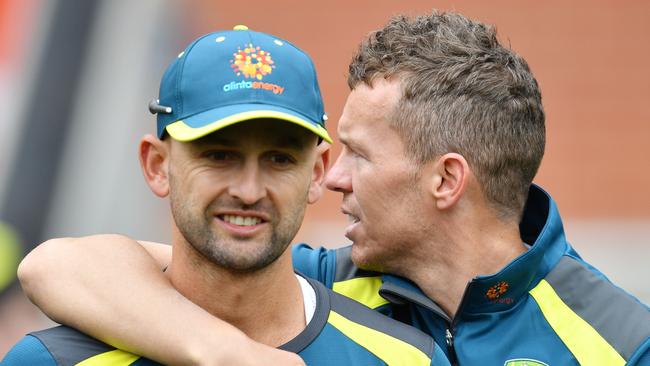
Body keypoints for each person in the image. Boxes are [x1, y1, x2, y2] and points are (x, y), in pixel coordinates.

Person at [16, 10, 650, 366]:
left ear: (447, 180)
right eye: (216, 155)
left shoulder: (623, 343)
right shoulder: (321, 277)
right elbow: (60, 265)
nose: (334, 177)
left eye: (359, 155)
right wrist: (223, 352)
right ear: (156, 164)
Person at [2, 26, 450, 366]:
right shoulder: (51, 361)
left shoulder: (406, 358)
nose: (249, 191)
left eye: (278, 160)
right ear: (157, 166)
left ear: (317, 173)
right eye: (218, 156)